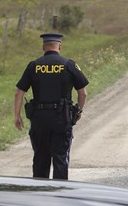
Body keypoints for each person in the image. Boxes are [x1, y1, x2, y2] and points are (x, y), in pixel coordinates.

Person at [14, 33, 88, 180]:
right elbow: (83, 93)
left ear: (43, 47)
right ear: (59, 46)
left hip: (39, 120)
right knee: (60, 159)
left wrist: (17, 116)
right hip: (61, 120)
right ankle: (59, 196)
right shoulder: (69, 65)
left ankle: (40, 196)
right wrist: (78, 111)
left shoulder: (34, 66)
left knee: (41, 158)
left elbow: (19, 93)